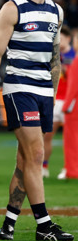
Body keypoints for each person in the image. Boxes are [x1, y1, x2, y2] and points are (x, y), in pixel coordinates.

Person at [0, 0, 74, 241]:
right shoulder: (12, 9)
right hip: (19, 88)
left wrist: (54, 94)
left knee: (25, 160)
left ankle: (9, 223)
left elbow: (55, 59)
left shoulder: (56, 11)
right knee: (36, 154)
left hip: (44, 92)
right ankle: (44, 226)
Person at [43, 25, 74, 178]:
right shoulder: (52, 56)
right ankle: (44, 167)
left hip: (71, 102)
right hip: (54, 100)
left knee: (71, 138)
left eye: (62, 37)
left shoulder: (74, 56)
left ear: (68, 38)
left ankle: (68, 168)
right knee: (47, 135)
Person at [61, 30, 78, 179]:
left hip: (74, 107)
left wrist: (66, 106)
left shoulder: (76, 61)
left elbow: (73, 86)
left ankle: (72, 170)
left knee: (72, 140)